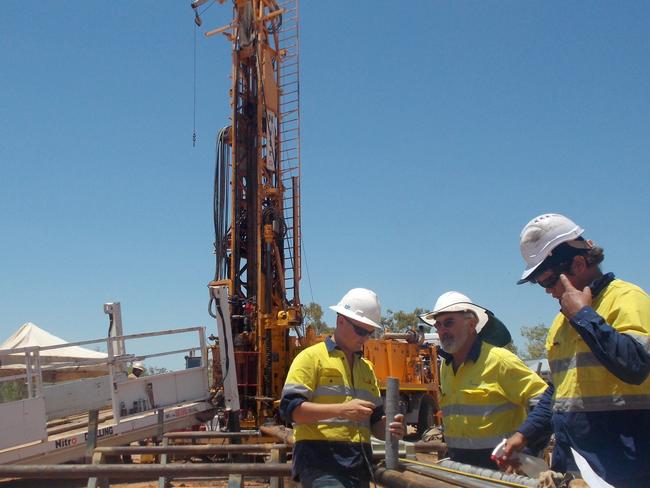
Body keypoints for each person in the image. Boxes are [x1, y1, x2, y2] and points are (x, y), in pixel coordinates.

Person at [501, 213, 650, 487]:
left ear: (579, 263)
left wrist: (583, 315)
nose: (547, 291)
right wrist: (525, 434)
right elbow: (560, 391)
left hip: (624, 472)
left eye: (548, 281)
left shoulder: (628, 299)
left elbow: (635, 364)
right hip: (574, 470)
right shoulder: (562, 322)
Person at [280, 288, 405, 488]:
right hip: (321, 465)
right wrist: (341, 410)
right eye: (360, 331)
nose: (365, 338)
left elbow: (375, 423)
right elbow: (291, 411)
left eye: (369, 332)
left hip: (359, 467)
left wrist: (391, 427)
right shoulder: (310, 358)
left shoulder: (366, 369)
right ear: (340, 321)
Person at [420, 291, 548, 469]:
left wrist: (527, 445)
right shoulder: (446, 367)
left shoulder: (499, 361)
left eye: (449, 323)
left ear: (471, 324)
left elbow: (545, 402)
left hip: (501, 471)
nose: (442, 331)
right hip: (461, 470)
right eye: (438, 325)